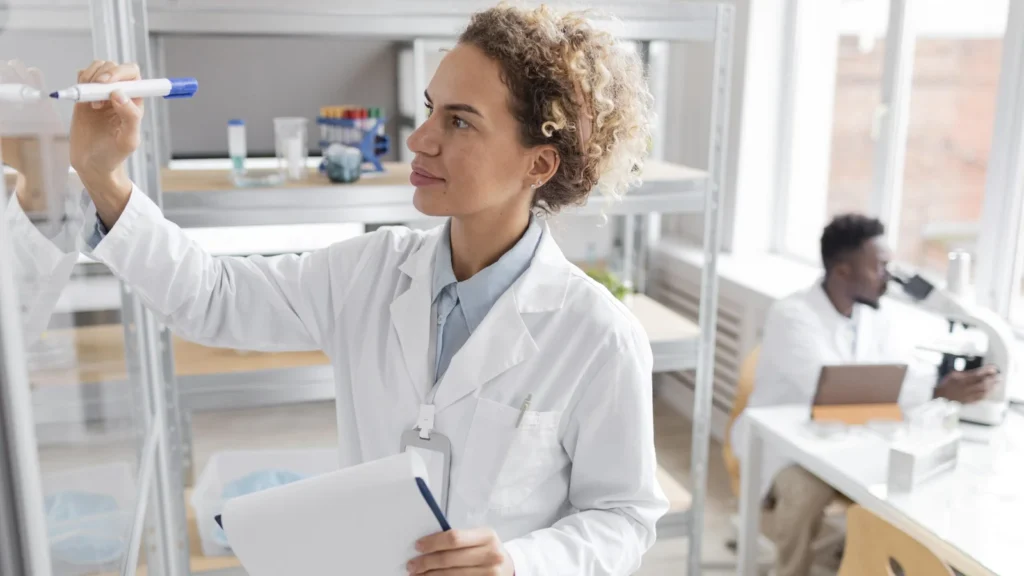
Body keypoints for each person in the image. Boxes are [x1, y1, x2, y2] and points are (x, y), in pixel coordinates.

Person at [64, 5, 667, 576]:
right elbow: (213, 297)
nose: (420, 139)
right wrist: (103, 175)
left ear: (538, 165)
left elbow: (623, 516)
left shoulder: (598, 336)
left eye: (458, 121)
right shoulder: (371, 272)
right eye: (431, 109)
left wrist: (519, 564)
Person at [730, 214, 998, 576]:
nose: (888, 277)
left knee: (908, 487)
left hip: (845, 441)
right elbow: (834, 388)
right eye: (879, 267)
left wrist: (945, 382)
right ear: (842, 271)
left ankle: (857, 555)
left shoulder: (875, 316)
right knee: (805, 492)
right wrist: (936, 389)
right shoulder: (792, 316)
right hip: (785, 449)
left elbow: (897, 373)